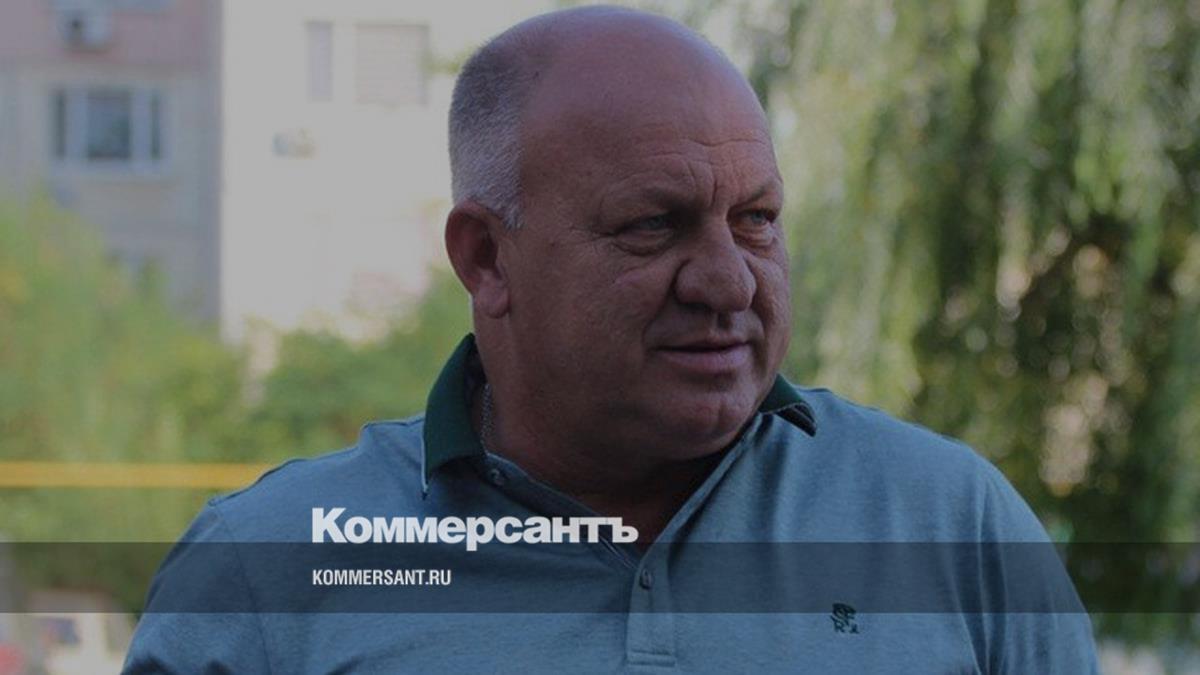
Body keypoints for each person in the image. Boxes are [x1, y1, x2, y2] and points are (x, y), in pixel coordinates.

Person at [124, 6, 1098, 673]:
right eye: (653, 226)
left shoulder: (952, 525)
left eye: (757, 220)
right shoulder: (268, 570)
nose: (728, 281)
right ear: (486, 257)